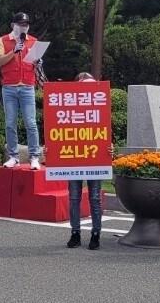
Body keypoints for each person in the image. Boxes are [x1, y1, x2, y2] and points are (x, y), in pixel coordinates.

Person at [0, 12, 41, 170]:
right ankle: (13, 157)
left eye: (26, 25)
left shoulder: (33, 41)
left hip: (27, 86)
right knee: (10, 123)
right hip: (9, 87)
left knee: (31, 123)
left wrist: (38, 62)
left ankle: (34, 157)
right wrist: (13, 51)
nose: (24, 27)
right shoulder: (3, 40)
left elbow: (35, 63)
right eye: (21, 24)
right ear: (13, 25)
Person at [66, 72, 104, 251]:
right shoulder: (66, 112)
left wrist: (109, 148)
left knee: (95, 198)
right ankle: (75, 233)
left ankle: (96, 234)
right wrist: (51, 150)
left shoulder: (100, 109)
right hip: (73, 158)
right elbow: (58, 135)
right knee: (74, 198)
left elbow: (105, 134)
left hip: (94, 159)